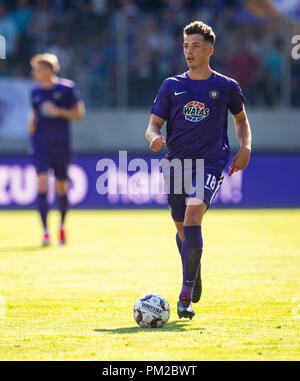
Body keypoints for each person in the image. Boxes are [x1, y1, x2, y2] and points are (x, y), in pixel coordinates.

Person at [145, 21, 252, 319]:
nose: (189, 52)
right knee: (182, 229)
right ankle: (194, 268)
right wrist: (154, 138)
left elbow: (241, 121)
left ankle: (184, 296)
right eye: (185, 47)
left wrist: (246, 147)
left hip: (210, 163)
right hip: (176, 164)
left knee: (193, 217)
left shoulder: (226, 86)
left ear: (209, 50)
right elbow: (153, 125)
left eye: (194, 46)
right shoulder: (171, 85)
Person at [28, 53, 85, 246]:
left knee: (61, 187)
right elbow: (34, 114)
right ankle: (45, 231)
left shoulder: (67, 88)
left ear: (48, 70)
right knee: (42, 183)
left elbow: (79, 113)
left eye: (37, 69)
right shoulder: (35, 92)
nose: (34, 72)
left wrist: (58, 111)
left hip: (61, 147)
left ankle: (61, 226)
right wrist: (32, 123)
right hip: (40, 146)